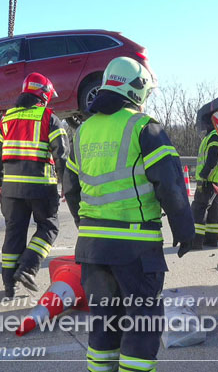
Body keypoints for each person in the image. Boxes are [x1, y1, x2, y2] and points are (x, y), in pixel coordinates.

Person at [64, 57, 195, 372]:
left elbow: (70, 188)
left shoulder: (83, 131)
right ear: (137, 90)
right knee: (142, 324)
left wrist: (88, 225)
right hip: (135, 247)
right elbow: (171, 184)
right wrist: (185, 230)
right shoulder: (143, 127)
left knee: (104, 323)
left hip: (92, 247)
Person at [0, 73, 68, 297]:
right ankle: (28, 269)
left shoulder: (5, 118)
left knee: (14, 232)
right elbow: (61, 154)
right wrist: (65, 182)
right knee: (49, 227)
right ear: (44, 94)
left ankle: (9, 285)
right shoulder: (49, 117)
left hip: (10, 189)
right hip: (40, 186)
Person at [191, 119, 218, 249]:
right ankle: (211, 239)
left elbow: (213, 158)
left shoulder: (214, 135)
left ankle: (194, 241)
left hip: (209, 179)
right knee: (213, 209)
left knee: (199, 208)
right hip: (216, 179)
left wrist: (203, 176)